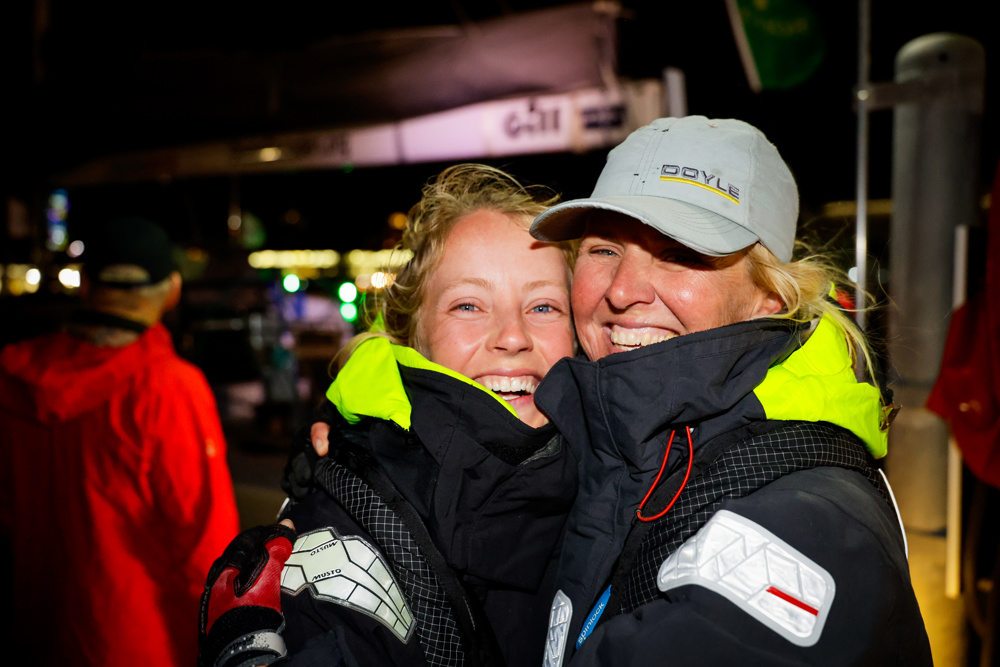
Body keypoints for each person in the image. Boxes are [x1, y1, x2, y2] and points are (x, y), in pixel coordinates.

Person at [527, 115, 932, 665]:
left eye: (680, 254)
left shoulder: (806, 519)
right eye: (603, 249)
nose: (622, 291)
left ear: (771, 294)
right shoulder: (609, 452)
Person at [199, 164, 578, 667]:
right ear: (413, 337)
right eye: (468, 306)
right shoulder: (350, 528)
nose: (512, 336)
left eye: (545, 307)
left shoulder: (625, 477)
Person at [0, 217, 241, 667]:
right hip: (142, 643)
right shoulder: (167, 387)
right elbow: (207, 548)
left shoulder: (13, 377)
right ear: (172, 289)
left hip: (38, 633)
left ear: (85, 284)